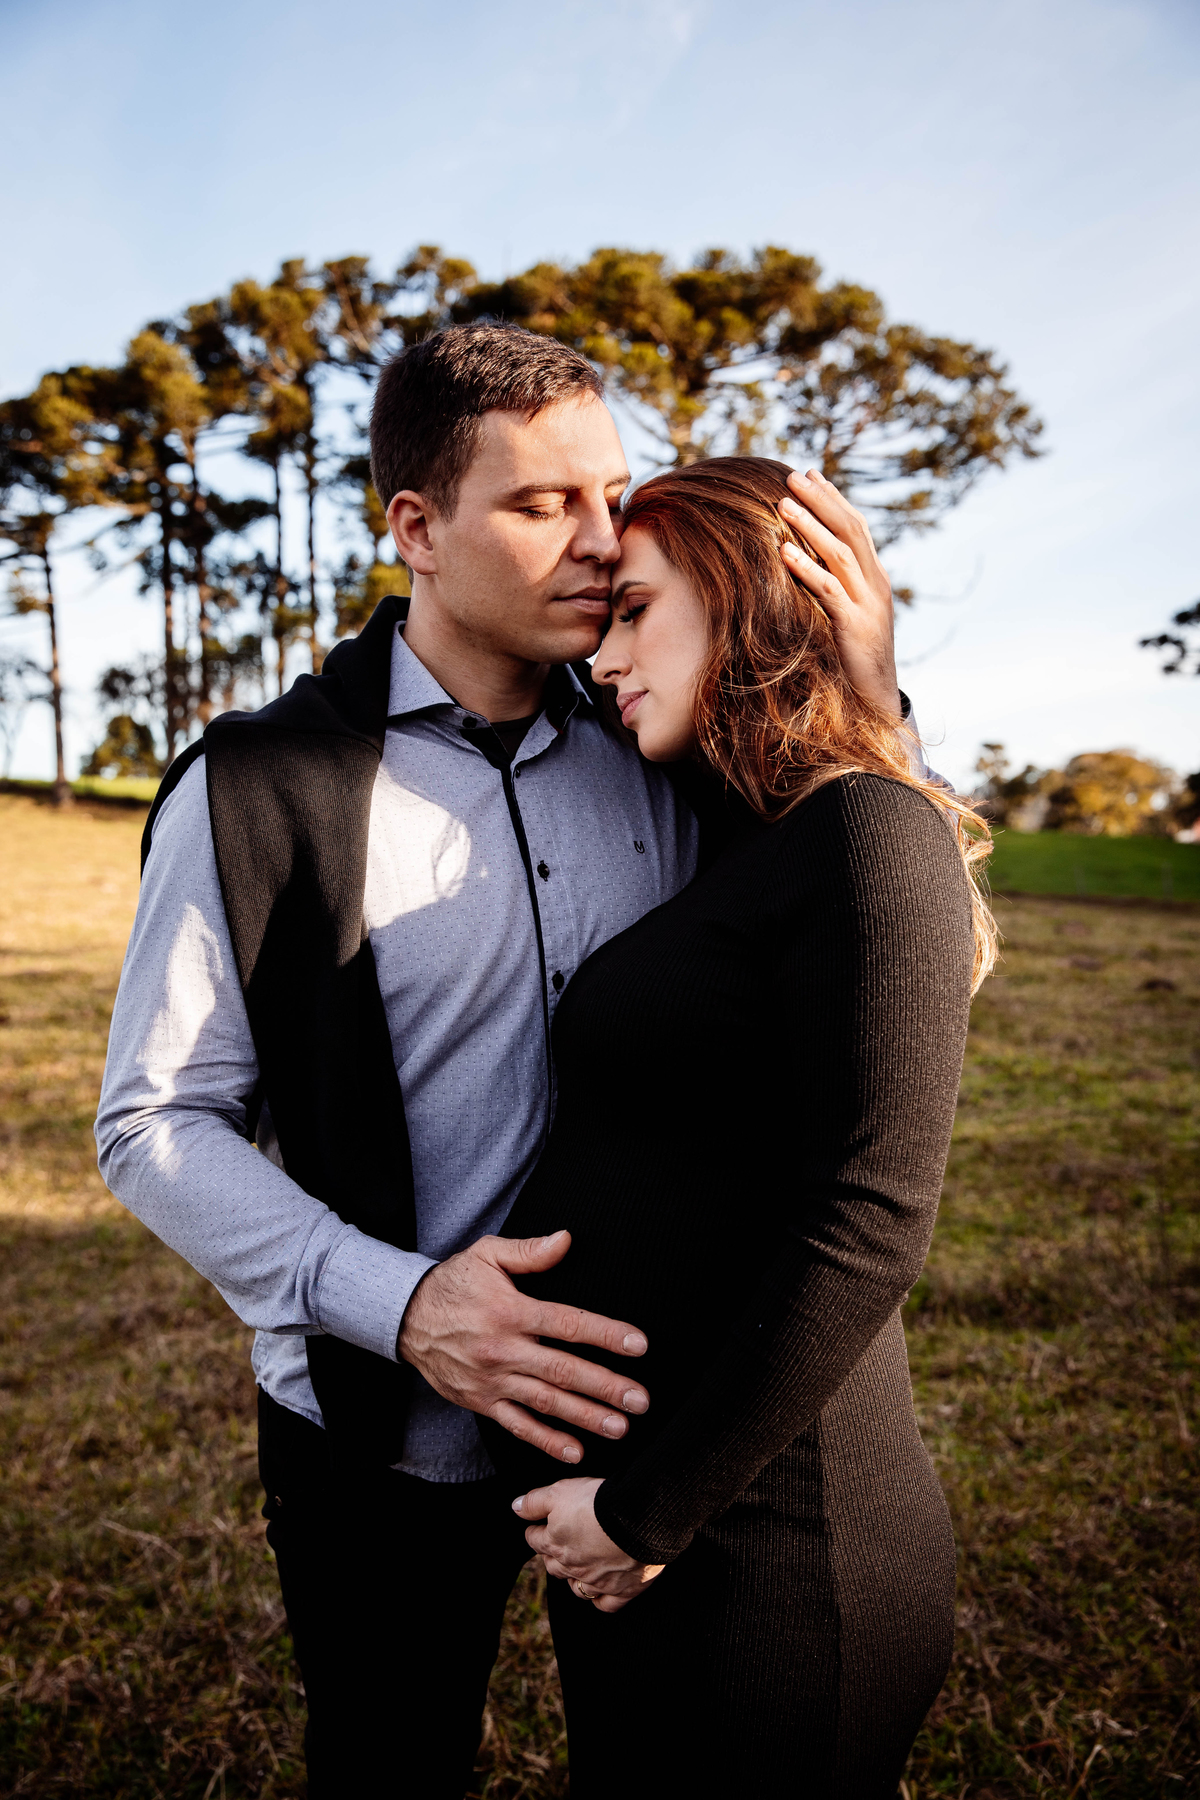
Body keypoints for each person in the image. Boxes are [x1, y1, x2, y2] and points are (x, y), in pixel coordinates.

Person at [95, 323, 910, 1798]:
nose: (599, 539)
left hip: (640, 1440)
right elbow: (154, 1122)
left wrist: (871, 686)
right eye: (542, 504)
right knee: (390, 1762)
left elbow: (869, 931)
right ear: (415, 527)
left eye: (610, 495)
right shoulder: (254, 787)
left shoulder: (667, 743)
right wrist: (405, 1308)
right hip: (380, 1433)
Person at [485, 457, 996, 1798]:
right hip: (662, 1533)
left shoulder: (869, 834)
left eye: (636, 611)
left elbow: (872, 1222)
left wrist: (646, 1512)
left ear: (748, 599)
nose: (603, 659)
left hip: (774, 1549)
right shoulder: (743, 839)